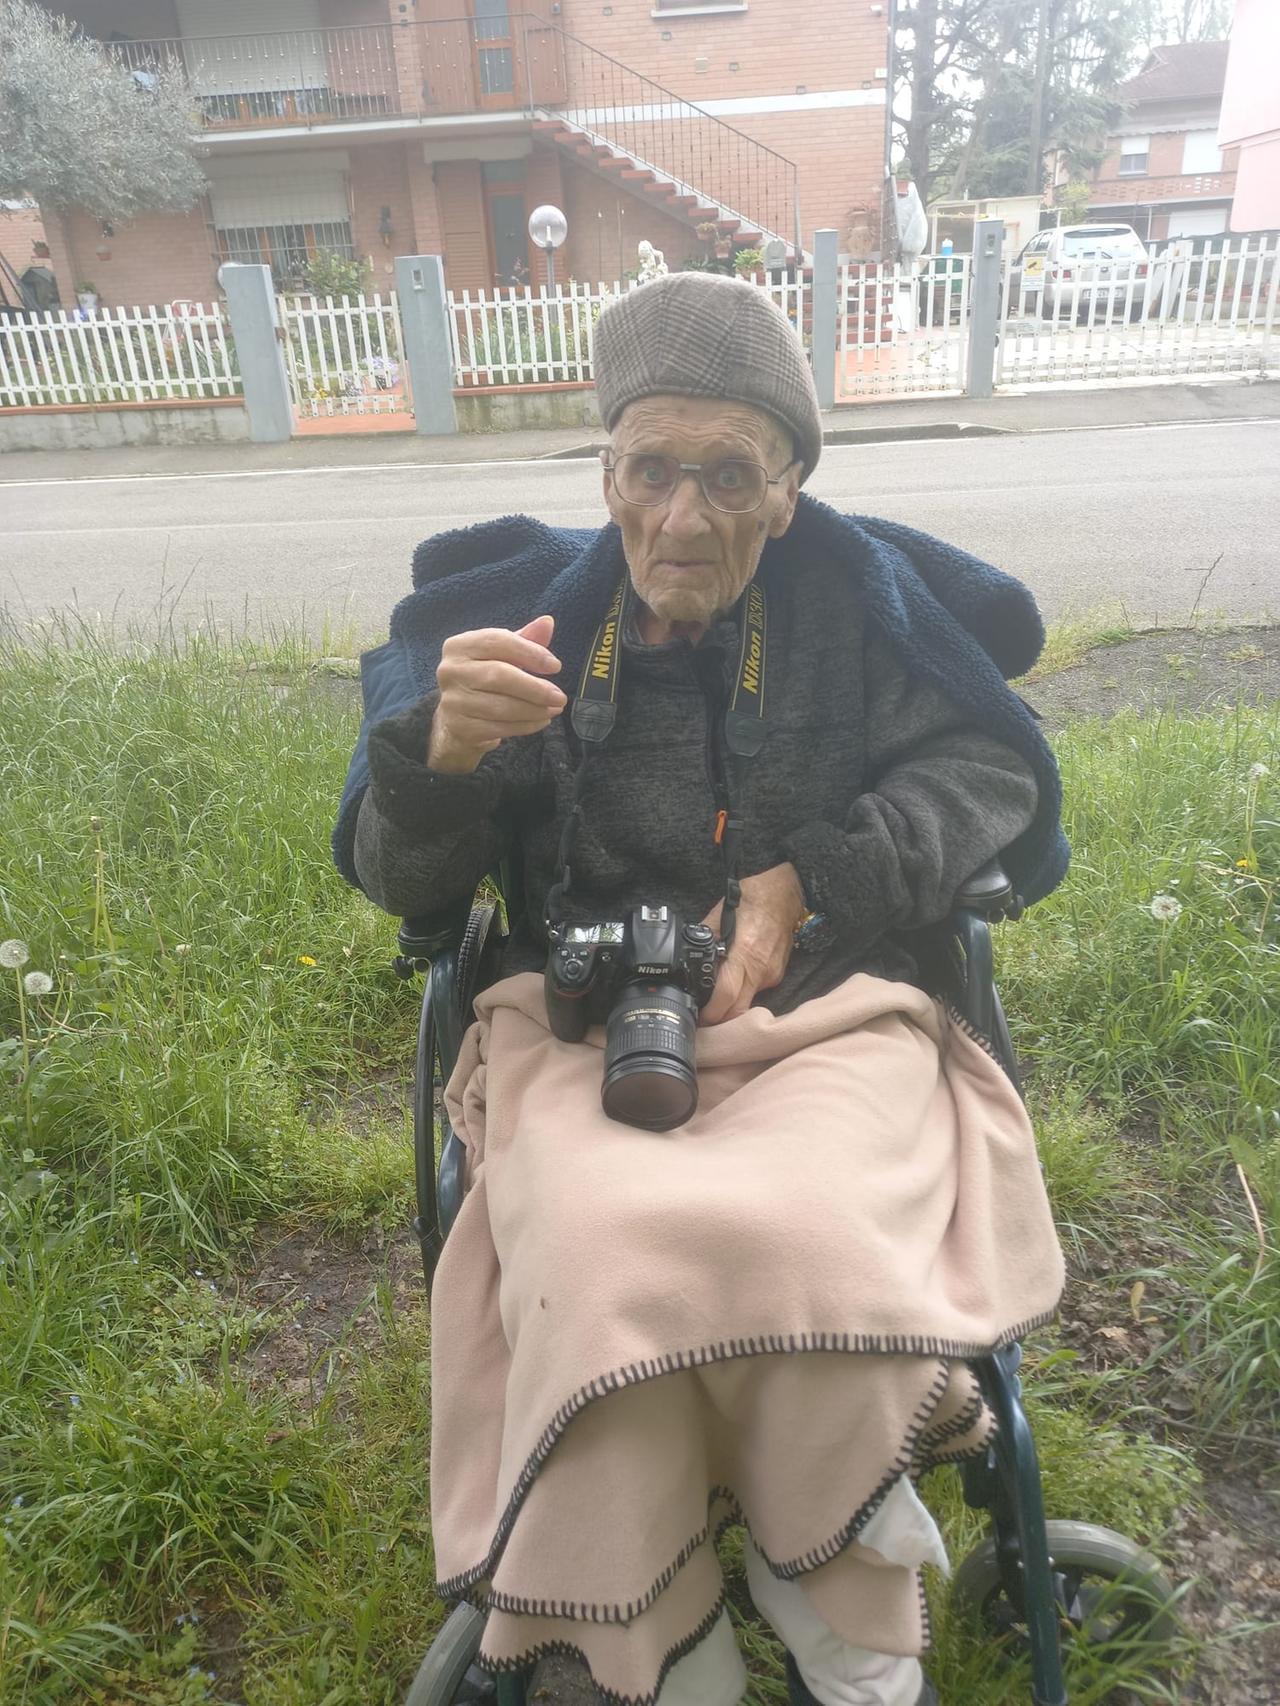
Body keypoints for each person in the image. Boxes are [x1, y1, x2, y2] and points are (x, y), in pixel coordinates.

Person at [335, 271, 1068, 1706]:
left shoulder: (862, 613)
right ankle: (669, 1634)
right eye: (648, 469)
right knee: (606, 1258)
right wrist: (431, 760)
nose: (679, 518)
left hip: (819, 1009)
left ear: (788, 489)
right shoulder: (526, 635)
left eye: (727, 475)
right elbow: (402, 883)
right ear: (604, 469)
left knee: (817, 1233)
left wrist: (819, 876)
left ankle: (834, 1582)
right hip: (582, 1016)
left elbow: (993, 766)